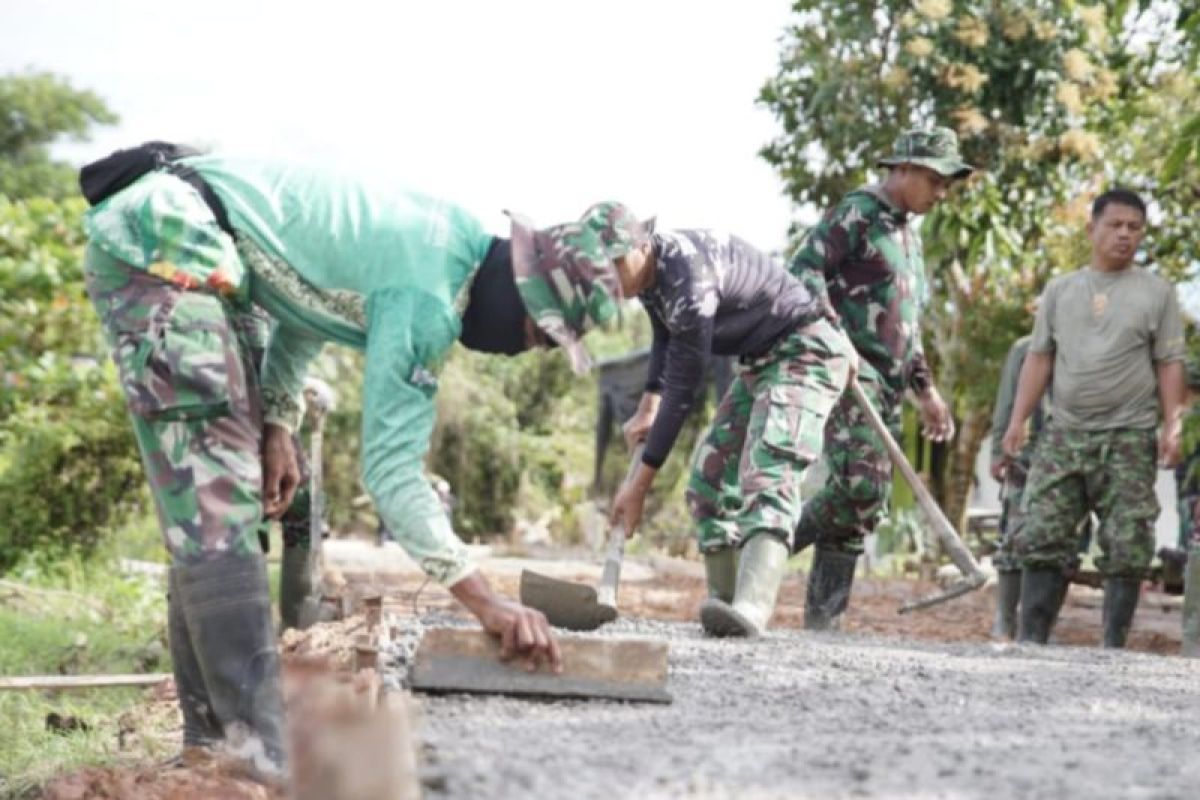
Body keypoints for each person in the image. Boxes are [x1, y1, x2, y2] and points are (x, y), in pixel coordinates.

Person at [81, 145, 641, 776]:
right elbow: (393, 472)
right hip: (169, 242)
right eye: (537, 335)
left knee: (220, 501)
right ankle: (259, 758)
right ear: (519, 295)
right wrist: (486, 602)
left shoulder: (445, 241)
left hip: (207, 249)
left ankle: (215, 749)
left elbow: (309, 307)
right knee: (218, 499)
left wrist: (277, 422)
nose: (524, 350)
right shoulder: (428, 297)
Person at [610, 228, 857, 638]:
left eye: (615, 262)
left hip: (805, 349)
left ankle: (752, 607)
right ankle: (724, 607)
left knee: (770, 467)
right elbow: (662, 337)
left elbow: (682, 393)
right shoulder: (651, 277)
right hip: (761, 360)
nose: (609, 275)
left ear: (641, 245)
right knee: (707, 480)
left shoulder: (690, 282)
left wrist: (638, 486)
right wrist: (647, 403)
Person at [787, 127, 972, 631]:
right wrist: (833, 338)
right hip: (847, 374)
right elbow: (803, 271)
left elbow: (904, 326)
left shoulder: (906, 233)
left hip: (888, 386)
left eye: (946, 184)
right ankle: (756, 548)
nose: (940, 193)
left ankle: (823, 626)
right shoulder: (859, 213)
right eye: (934, 180)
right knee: (861, 486)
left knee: (859, 510)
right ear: (904, 169)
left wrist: (926, 390)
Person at [1002, 188, 1186, 648]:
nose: (1125, 234)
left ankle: (1112, 647)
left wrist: (1173, 424)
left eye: (1135, 227)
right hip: (1065, 432)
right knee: (1042, 534)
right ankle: (1031, 640)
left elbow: (1169, 363)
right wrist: (1018, 420)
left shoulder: (1157, 293)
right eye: (1115, 225)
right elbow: (1039, 359)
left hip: (1128, 435)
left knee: (1128, 543)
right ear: (1092, 229)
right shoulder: (1061, 290)